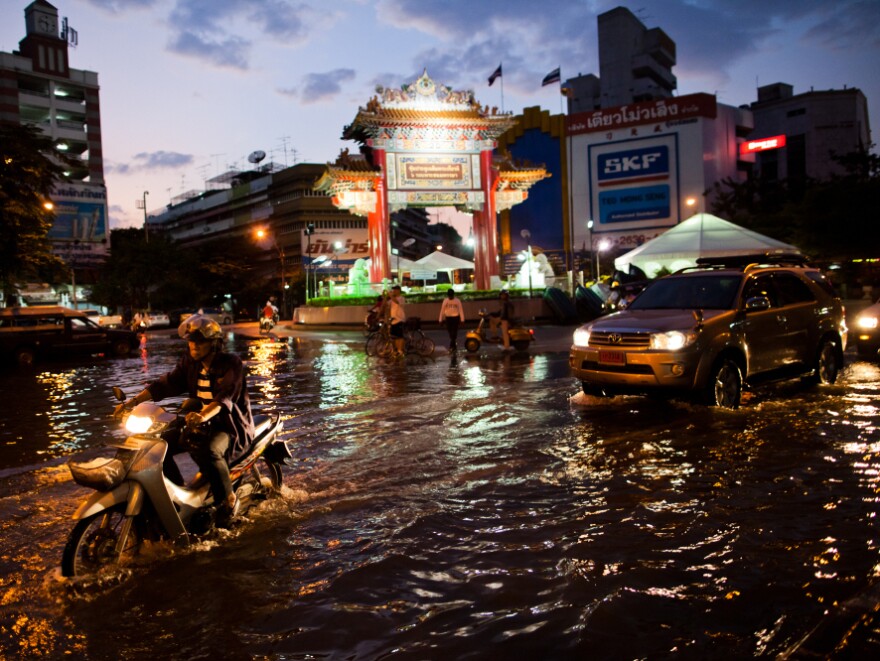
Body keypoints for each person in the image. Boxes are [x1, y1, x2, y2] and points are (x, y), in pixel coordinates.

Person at [114, 314, 255, 526]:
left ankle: (228, 500)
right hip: (196, 422)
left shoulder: (231, 364)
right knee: (159, 445)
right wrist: (132, 402)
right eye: (190, 341)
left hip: (228, 425)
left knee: (211, 450)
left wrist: (203, 414)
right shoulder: (190, 363)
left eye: (199, 341)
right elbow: (166, 384)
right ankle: (177, 495)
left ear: (214, 343)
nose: (194, 346)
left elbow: (225, 397)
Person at [384, 285, 407, 356]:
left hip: (400, 319)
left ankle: (400, 350)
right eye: (392, 290)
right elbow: (385, 304)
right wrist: (385, 296)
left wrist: (390, 295)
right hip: (393, 320)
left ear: (398, 290)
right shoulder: (391, 299)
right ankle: (397, 350)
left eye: (394, 290)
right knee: (395, 336)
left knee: (400, 336)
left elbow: (396, 301)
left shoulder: (401, 298)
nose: (393, 291)